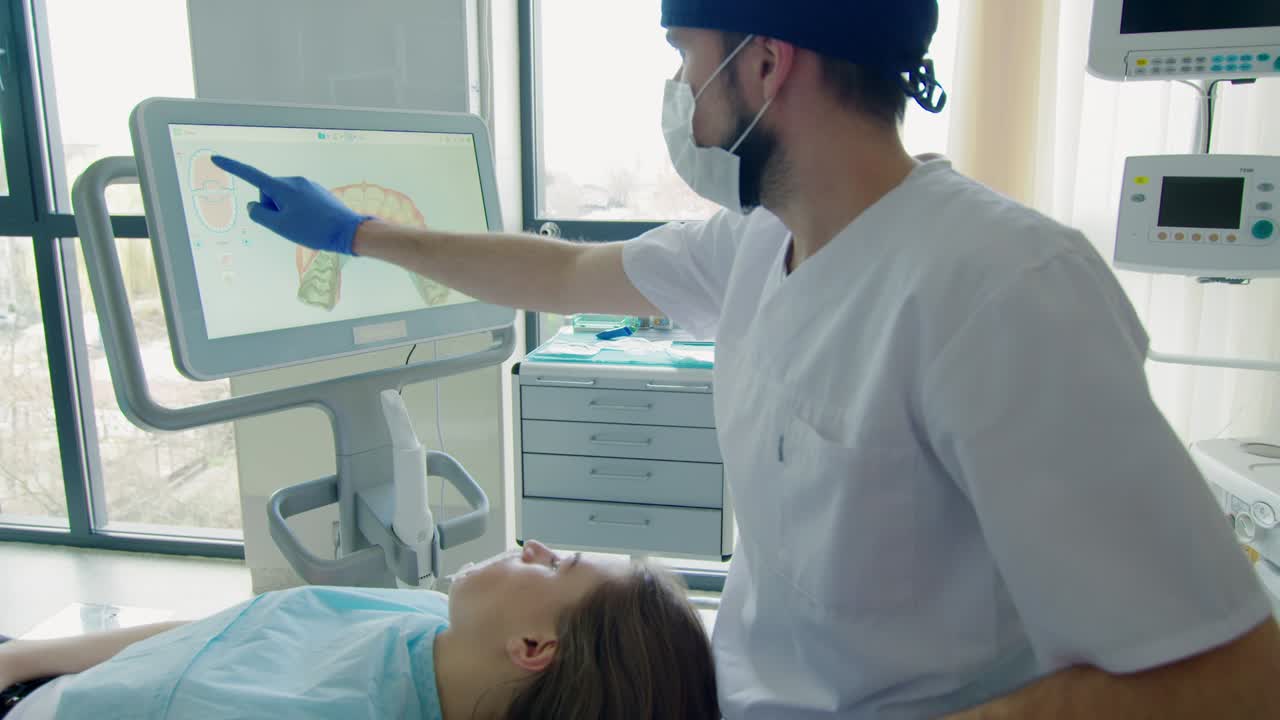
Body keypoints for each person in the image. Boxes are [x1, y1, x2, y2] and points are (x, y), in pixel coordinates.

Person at [210, 0, 1280, 716]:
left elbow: (1229, 675)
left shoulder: (998, 288)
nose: (681, 96)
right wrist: (361, 236)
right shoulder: (758, 242)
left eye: (685, 60)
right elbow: (566, 277)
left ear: (766, 65)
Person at [0, 541, 718, 719]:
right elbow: (233, 628)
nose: (529, 545)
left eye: (551, 563)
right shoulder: (428, 624)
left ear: (534, 648)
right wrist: (21, 658)